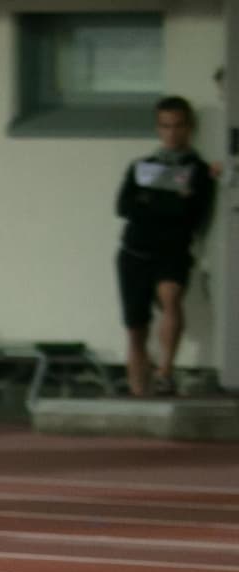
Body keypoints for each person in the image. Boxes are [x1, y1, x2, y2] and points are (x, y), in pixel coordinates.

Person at [115, 95, 216, 397]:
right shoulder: (140, 166)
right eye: (165, 126)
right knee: (136, 328)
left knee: (170, 298)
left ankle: (165, 372)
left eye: (178, 126)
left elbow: (191, 213)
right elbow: (124, 206)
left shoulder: (199, 170)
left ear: (189, 128)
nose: (172, 133)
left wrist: (151, 201)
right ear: (158, 129)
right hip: (134, 252)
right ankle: (138, 390)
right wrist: (170, 201)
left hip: (172, 251)